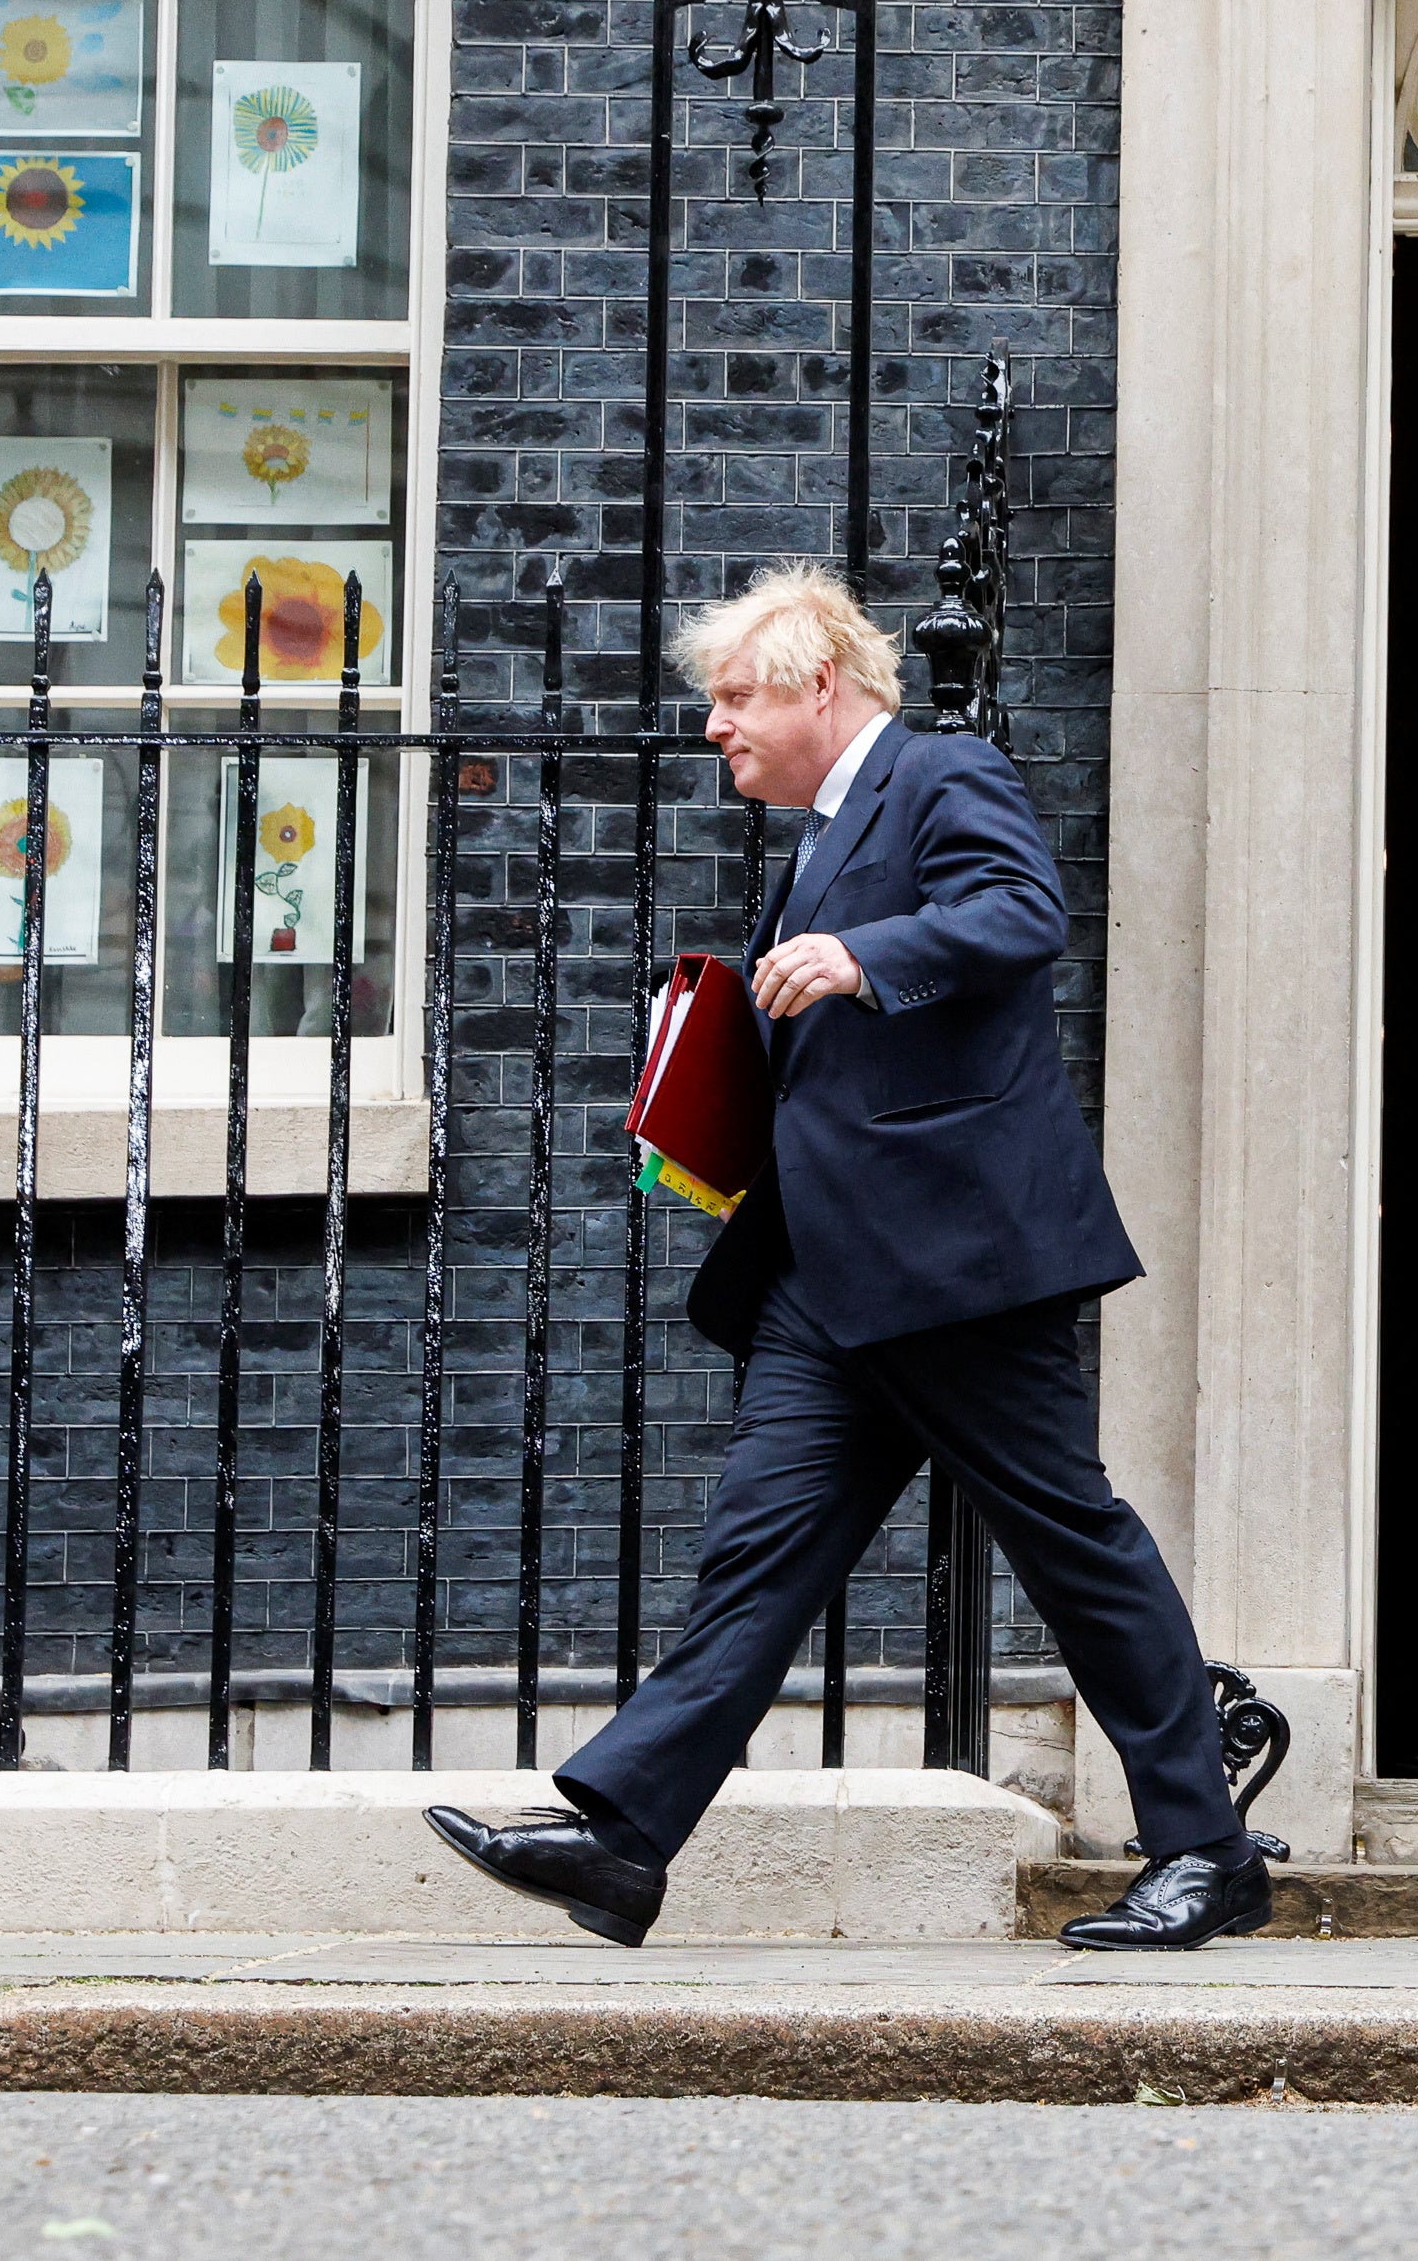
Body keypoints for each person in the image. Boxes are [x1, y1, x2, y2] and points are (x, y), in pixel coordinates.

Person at [425, 564, 1270, 1952]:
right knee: (757, 1556)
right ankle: (624, 1838)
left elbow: (1021, 914)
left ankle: (1204, 1849)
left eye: (737, 696)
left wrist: (861, 956)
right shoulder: (818, 836)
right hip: (829, 1275)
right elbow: (823, 1050)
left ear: (825, 685)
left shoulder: (944, 774)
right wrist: (700, 1068)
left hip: (958, 1264)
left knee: (1073, 1550)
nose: (716, 727)